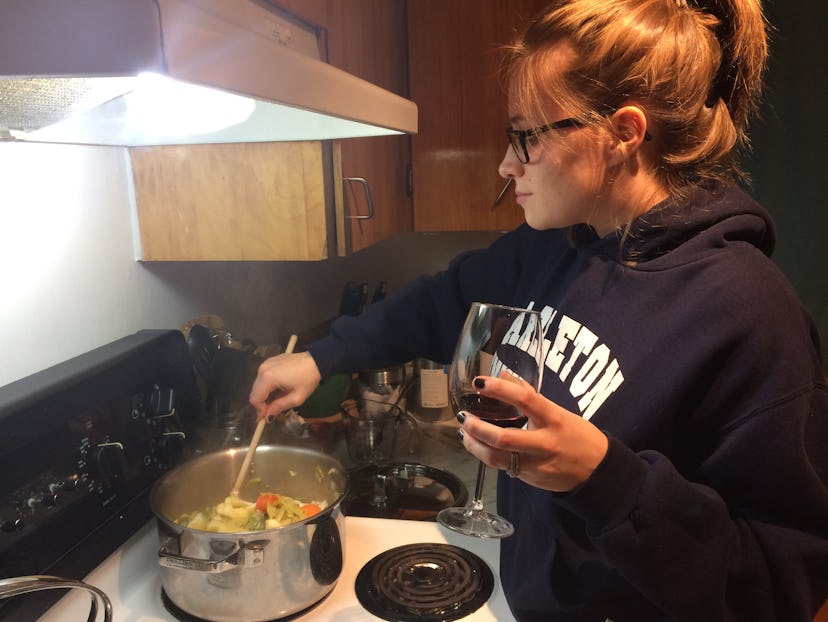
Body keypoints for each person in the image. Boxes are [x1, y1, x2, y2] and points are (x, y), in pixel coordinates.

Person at [250, 0, 828, 619]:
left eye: (525, 136)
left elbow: (778, 586)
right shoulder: (553, 247)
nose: (506, 164)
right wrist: (322, 357)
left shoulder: (749, 314)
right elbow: (446, 298)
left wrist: (603, 478)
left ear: (622, 134)